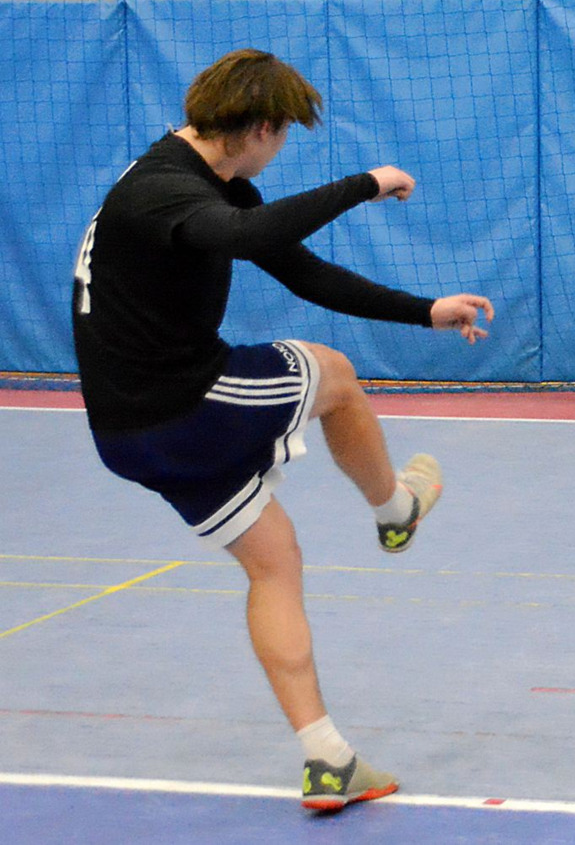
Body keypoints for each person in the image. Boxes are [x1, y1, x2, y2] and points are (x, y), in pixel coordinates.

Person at [71, 49, 495, 811]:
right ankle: (396, 509)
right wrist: (366, 183)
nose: (282, 146)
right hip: (184, 404)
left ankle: (328, 760)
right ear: (263, 127)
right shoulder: (163, 190)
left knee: (274, 562)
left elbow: (303, 272)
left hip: (128, 435)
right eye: (286, 132)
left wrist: (425, 311)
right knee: (335, 374)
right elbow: (244, 235)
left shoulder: (208, 184)